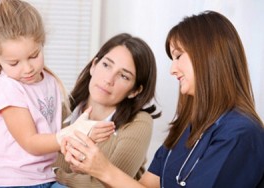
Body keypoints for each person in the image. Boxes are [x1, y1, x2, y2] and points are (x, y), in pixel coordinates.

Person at [61, 10, 264, 188]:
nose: (172, 70)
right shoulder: (187, 129)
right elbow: (146, 186)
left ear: (206, 56)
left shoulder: (241, 134)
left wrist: (103, 169)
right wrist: (96, 168)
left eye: (178, 56)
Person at [0, 0, 114, 187]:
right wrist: (69, 135)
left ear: (42, 43)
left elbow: (50, 138)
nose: (28, 68)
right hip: (7, 181)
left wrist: (80, 140)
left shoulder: (50, 82)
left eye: (34, 55)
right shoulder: (8, 87)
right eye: (14, 63)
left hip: (42, 177)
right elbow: (31, 142)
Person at [51, 33, 161, 187]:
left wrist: (54, 175)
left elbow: (106, 185)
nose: (109, 79)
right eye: (106, 65)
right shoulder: (58, 111)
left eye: (123, 76)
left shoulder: (138, 122)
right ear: (94, 65)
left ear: (134, 91)